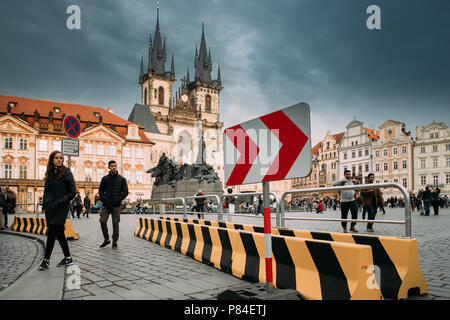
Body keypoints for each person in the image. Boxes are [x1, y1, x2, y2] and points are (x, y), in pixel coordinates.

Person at [39, 151, 76, 270]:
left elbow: (73, 192)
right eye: (56, 158)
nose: (59, 160)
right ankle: (68, 257)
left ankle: (46, 260)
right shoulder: (50, 174)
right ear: (52, 160)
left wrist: (63, 200)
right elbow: (46, 191)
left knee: (51, 232)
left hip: (61, 207)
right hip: (50, 207)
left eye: (61, 158)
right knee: (60, 234)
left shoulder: (67, 172)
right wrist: (45, 202)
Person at [98, 160, 129, 249]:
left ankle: (114, 241)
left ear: (117, 167)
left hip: (116, 205)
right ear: (109, 167)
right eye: (112, 166)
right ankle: (106, 239)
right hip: (106, 205)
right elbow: (100, 191)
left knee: (115, 223)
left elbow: (126, 192)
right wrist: (104, 199)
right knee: (102, 221)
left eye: (115, 166)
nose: (114, 167)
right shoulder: (105, 179)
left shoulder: (122, 179)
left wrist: (119, 199)